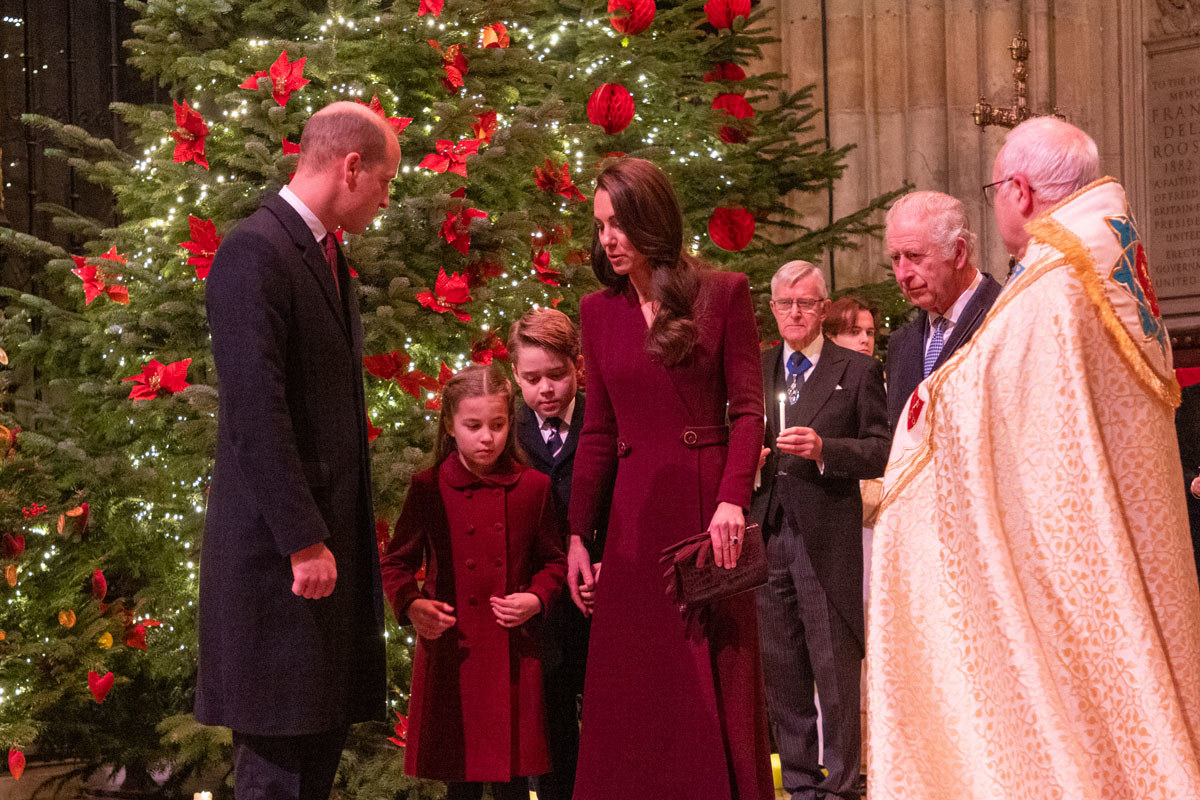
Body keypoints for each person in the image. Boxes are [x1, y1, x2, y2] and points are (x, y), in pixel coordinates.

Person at [870, 117, 1200, 799]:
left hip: (1068, 549)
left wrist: (922, 412)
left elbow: (972, 400)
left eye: (996, 189)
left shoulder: (1052, 286)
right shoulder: (1110, 263)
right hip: (1119, 527)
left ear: (1018, 190)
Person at [196, 101, 401, 800]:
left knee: (314, 754)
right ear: (351, 166)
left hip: (315, 562)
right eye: (385, 179)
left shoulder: (321, 252)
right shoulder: (255, 251)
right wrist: (304, 541)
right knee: (278, 767)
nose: (385, 196)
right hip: (278, 564)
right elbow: (257, 414)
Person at [566, 157, 774, 800]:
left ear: (652, 220)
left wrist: (731, 500)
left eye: (621, 223)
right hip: (632, 522)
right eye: (601, 226)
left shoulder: (724, 292)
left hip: (706, 517)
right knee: (635, 684)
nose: (609, 239)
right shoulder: (597, 313)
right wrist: (578, 536)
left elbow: (748, 411)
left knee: (715, 676)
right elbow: (597, 431)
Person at [379, 365, 567, 800]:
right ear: (449, 424)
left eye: (498, 425)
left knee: (514, 782)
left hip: (513, 651)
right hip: (453, 651)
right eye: (474, 425)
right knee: (459, 779)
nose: (487, 437)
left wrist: (536, 598)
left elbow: (554, 562)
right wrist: (412, 605)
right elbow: (396, 562)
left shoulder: (533, 488)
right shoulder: (427, 487)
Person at [750, 263, 889, 800]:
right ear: (773, 307)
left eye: (805, 303)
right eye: (785, 303)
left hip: (826, 538)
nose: (795, 312)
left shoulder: (854, 369)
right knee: (782, 674)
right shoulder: (757, 369)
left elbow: (881, 447)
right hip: (768, 532)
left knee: (834, 673)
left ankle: (842, 788)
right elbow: (731, 436)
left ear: (823, 307)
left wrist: (828, 450)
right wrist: (751, 462)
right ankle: (803, 786)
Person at [508, 308, 604, 800]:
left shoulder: (602, 419)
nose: (545, 389)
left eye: (556, 375)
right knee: (550, 713)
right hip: (539, 600)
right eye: (531, 378)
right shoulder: (507, 431)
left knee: (609, 709)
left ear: (579, 367)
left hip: (600, 589)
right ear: (515, 377)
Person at [883, 191, 1001, 430]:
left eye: (914, 256)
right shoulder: (901, 343)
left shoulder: (1006, 319)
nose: (902, 274)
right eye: (896, 258)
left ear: (958, 253)